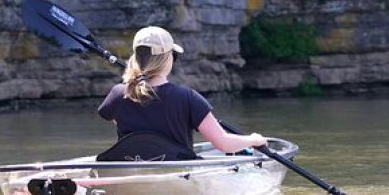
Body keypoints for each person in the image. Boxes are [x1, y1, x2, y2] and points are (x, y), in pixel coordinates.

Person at [97, 25, 266, 155]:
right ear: (167, 59)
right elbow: (223, 143)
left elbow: (116, 118)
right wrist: (253, 139)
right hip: (178, 176)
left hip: (132, 172)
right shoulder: (188, 98)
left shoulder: (118, 94)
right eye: (173, 55)